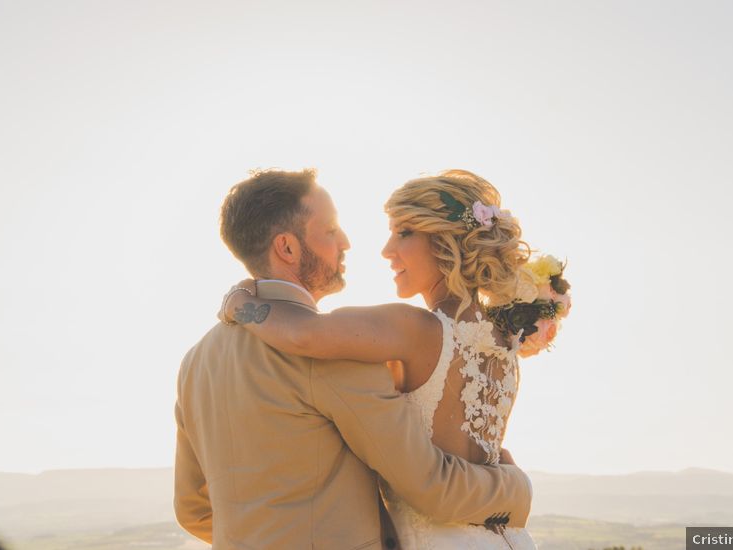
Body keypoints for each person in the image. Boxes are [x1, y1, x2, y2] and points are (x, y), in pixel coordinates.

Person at [175, 169, 533, 550]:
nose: (347, 242)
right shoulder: (336, 355)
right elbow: (429, 485)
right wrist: (516, 488)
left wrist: (238, 300)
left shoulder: (195, 363)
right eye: (331, 231)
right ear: (287, 248)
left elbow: (192, 510)